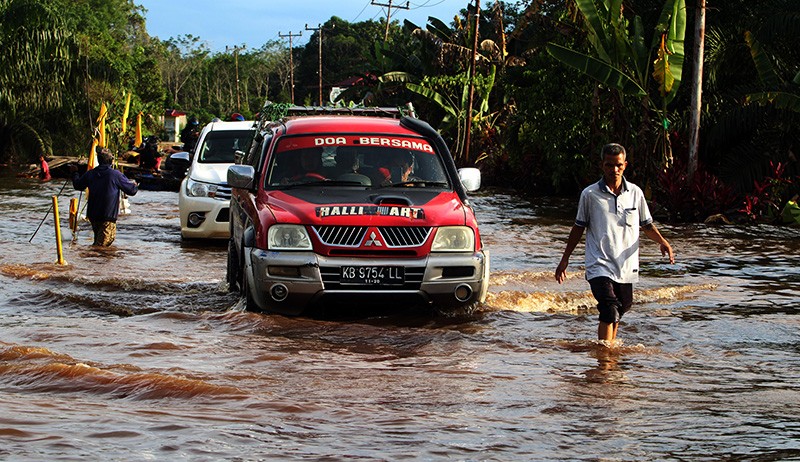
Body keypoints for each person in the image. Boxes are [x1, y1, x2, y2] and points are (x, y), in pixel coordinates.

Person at [555, 143, 674, 343]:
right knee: (609, 308)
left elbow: (646, 225)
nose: (614, 170)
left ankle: (610, 349)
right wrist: (565, 259)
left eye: (618, 165)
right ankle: (604, 356)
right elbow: (578, 228)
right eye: (609, 165)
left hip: (625, 265)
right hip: (599, 264)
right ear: (603, 165)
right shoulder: (590, 195)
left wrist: (662, 242)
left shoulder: (635, 193)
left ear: (625, 165)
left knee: (622, 306)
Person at [71, 148, 138, 246]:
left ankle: (89, 259)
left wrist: (75, 173)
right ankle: (91, 259)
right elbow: (131, 190)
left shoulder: (90, 174)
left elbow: (77, 185)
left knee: (100, 243)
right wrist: (135, 185)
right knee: (101, 247)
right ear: (111, 160)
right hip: (107, 217)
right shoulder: (115, 174)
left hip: (93, 216)